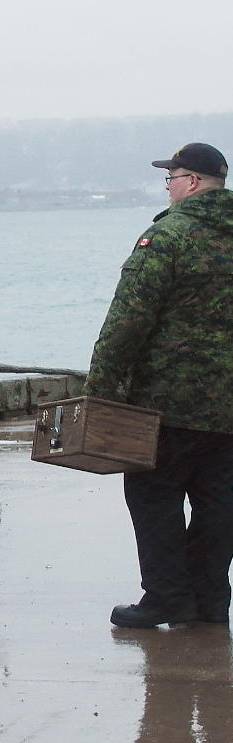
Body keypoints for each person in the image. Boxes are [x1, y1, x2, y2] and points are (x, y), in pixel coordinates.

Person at [85, 142, 233, 628]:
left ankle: (168, 597)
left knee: (154, 499)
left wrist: (101, 392)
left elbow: (128, 320)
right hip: (228, 409)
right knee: (219, 504)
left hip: (166, 405)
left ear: (190, 182)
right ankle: (211, 600)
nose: (167, 187)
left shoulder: (168, 237)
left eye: (170, 178)